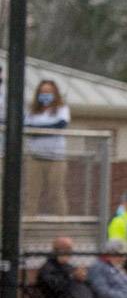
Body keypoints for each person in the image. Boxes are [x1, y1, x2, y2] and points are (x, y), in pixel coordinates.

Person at [24, 79, 70, 216]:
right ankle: (29, 224)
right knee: (31, 193)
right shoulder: (32, 111)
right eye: (43, 92)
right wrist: (44, 130)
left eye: (48, 92)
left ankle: (61, 226)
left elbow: (60, 125)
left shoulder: (62, 109)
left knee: (56, 193)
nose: (45, 95)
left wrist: (38, 131)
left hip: (56, 158)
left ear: (55, 93)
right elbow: (27, 129)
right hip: (35, 158)